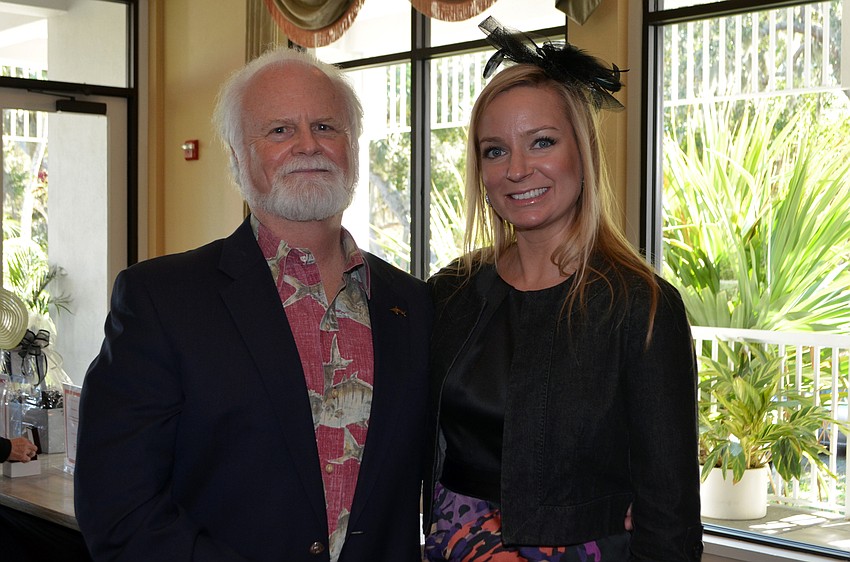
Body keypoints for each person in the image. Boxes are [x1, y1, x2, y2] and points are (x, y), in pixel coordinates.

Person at [74, 47, 432, 562]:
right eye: (280, 130)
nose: (308, 144)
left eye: (327, 127)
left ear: (352, 146)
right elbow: (120, 511)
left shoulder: (412, 304)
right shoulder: (162, 300)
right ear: (238, 155)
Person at [423, 18, 703, 561]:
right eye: (495, 151)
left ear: (584, 153)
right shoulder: (450, 292)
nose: (518, 170)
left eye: (542, 142)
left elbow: (669, 512)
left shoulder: (638, 306)